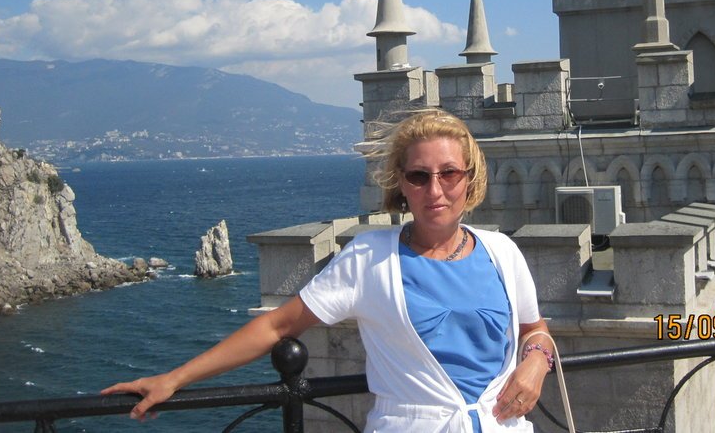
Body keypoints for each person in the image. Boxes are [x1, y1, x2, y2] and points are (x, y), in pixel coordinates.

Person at [102, 108, 554, 432]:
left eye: (449, 173)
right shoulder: (369, 258)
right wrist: (174, 379)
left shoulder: (501, 251)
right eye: (419, 176)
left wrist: (537, 361)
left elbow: (534, 328)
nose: (435, 190)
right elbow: (277, 326)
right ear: (401, 184)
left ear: (470, 178)